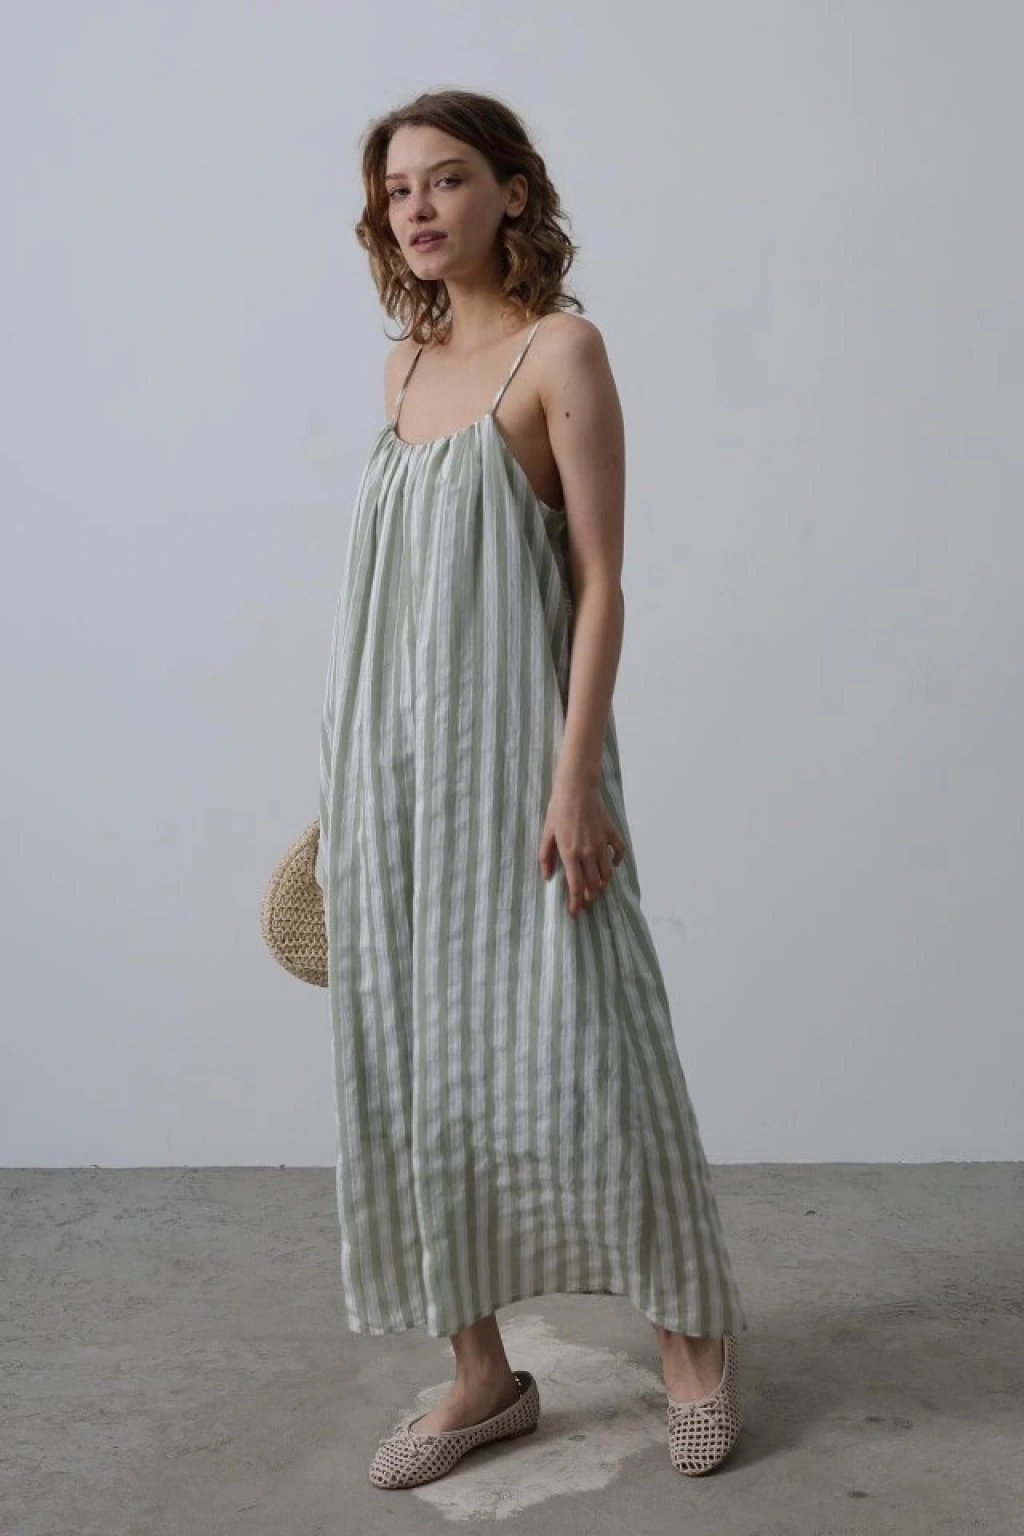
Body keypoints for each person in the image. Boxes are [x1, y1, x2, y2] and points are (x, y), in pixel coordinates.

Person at [316, 88, 748, 1490]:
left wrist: (576, 782)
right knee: (416, 1067)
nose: (420, 209)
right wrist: (344, 787)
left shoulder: (561, 351)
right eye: (399, 191)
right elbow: (389, 606)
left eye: (448, 180)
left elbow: (601, 581)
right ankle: (482, 1375)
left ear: (511, 190)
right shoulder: (400, 368)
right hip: (391, 778)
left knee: (598, 1044)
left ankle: (693, 1341)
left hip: (524, 767)